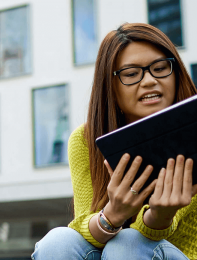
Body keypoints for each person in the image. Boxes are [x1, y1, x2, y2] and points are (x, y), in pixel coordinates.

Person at [32, 23, 197, 259]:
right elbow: (82, 227)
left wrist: (161, 215)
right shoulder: (85, 140)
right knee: (57, 242)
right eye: (131, 74)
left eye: (160, 68)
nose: (150, 80)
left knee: (128, 243)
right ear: (110, 85)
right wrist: (112, 215)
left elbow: (143, 238)